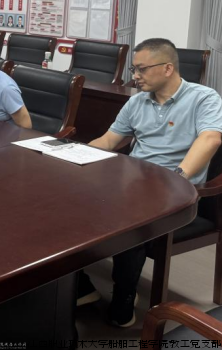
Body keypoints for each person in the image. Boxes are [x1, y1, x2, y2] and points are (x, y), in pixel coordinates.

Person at [79, 38, 222, 328]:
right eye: (133, 69)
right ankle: (80, 286)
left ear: (168, 68)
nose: (135, 76)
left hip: (178, 192)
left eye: (141, 69)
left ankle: (124, 295)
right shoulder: (136, 101)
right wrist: (73, 155)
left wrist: (176, 177)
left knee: (129, 222)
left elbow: (210, 139)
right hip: (132, 184)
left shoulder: (203, 98)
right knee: (68, 206)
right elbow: (109, 140)